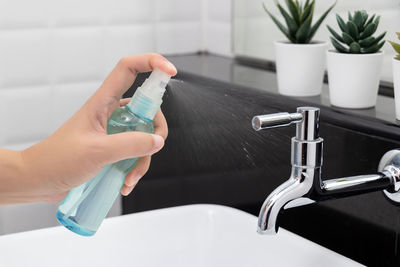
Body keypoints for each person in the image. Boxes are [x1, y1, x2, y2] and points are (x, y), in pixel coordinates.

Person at [0, 53, 177, 205]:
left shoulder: (140, 125)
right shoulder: (125, 119)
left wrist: (32, 172)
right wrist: (31, 169)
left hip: (54, 187)